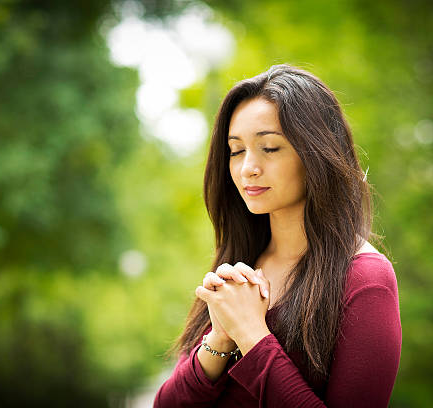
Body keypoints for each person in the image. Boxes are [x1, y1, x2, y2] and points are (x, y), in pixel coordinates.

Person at [154, 64, 401, 407]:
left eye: (269, 148)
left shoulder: (365, 279)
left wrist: (251, 334)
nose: (247, 168)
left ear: (317, 152)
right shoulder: (238, 268)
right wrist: (220, 340)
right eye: (236, 151)